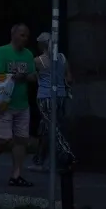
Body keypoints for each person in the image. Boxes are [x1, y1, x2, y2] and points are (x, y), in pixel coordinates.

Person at [0, 23, 38, 188]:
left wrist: (23, 77)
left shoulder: (28, 55)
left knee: (21, 140)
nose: (25, 39)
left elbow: (34, 76)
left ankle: (16, 175)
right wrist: (12, 76)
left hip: (22, 103)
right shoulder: (2, 52)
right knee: (5, 139)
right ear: (13, 35)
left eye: (27, 36)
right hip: (4, 102)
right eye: (22, 35)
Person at [35, 31, 75, 171]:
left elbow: (31, 76)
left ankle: (67, 153)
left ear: (41, 45)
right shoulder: (62, 58)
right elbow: (69, 78)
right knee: (47, 127)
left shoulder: (39, 61)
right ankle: (41, 159)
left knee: (52, 128)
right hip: (61, 96)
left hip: (45, 96)